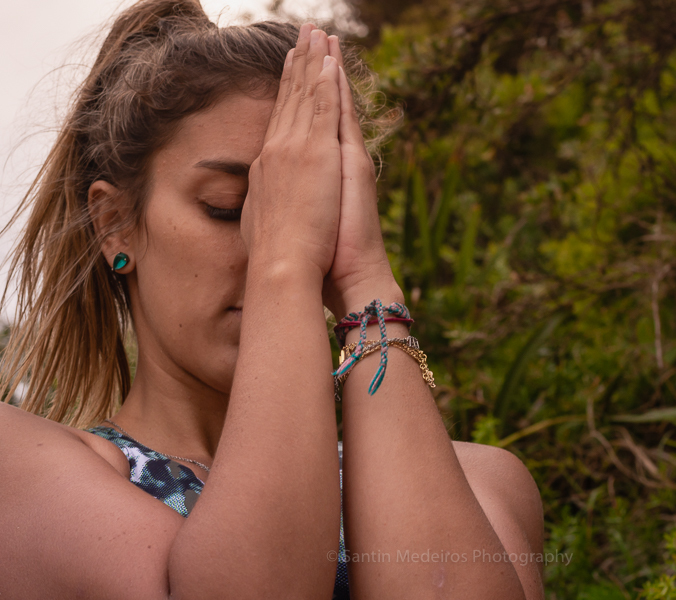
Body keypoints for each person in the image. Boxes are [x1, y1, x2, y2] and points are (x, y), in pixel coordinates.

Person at [0, 0, 545, 598]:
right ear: (114, 224)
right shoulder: (26, 470)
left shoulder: (484, 483)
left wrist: (364, 282)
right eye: (228, 208)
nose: (270, 243)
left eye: (307, 209)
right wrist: (283, 269)